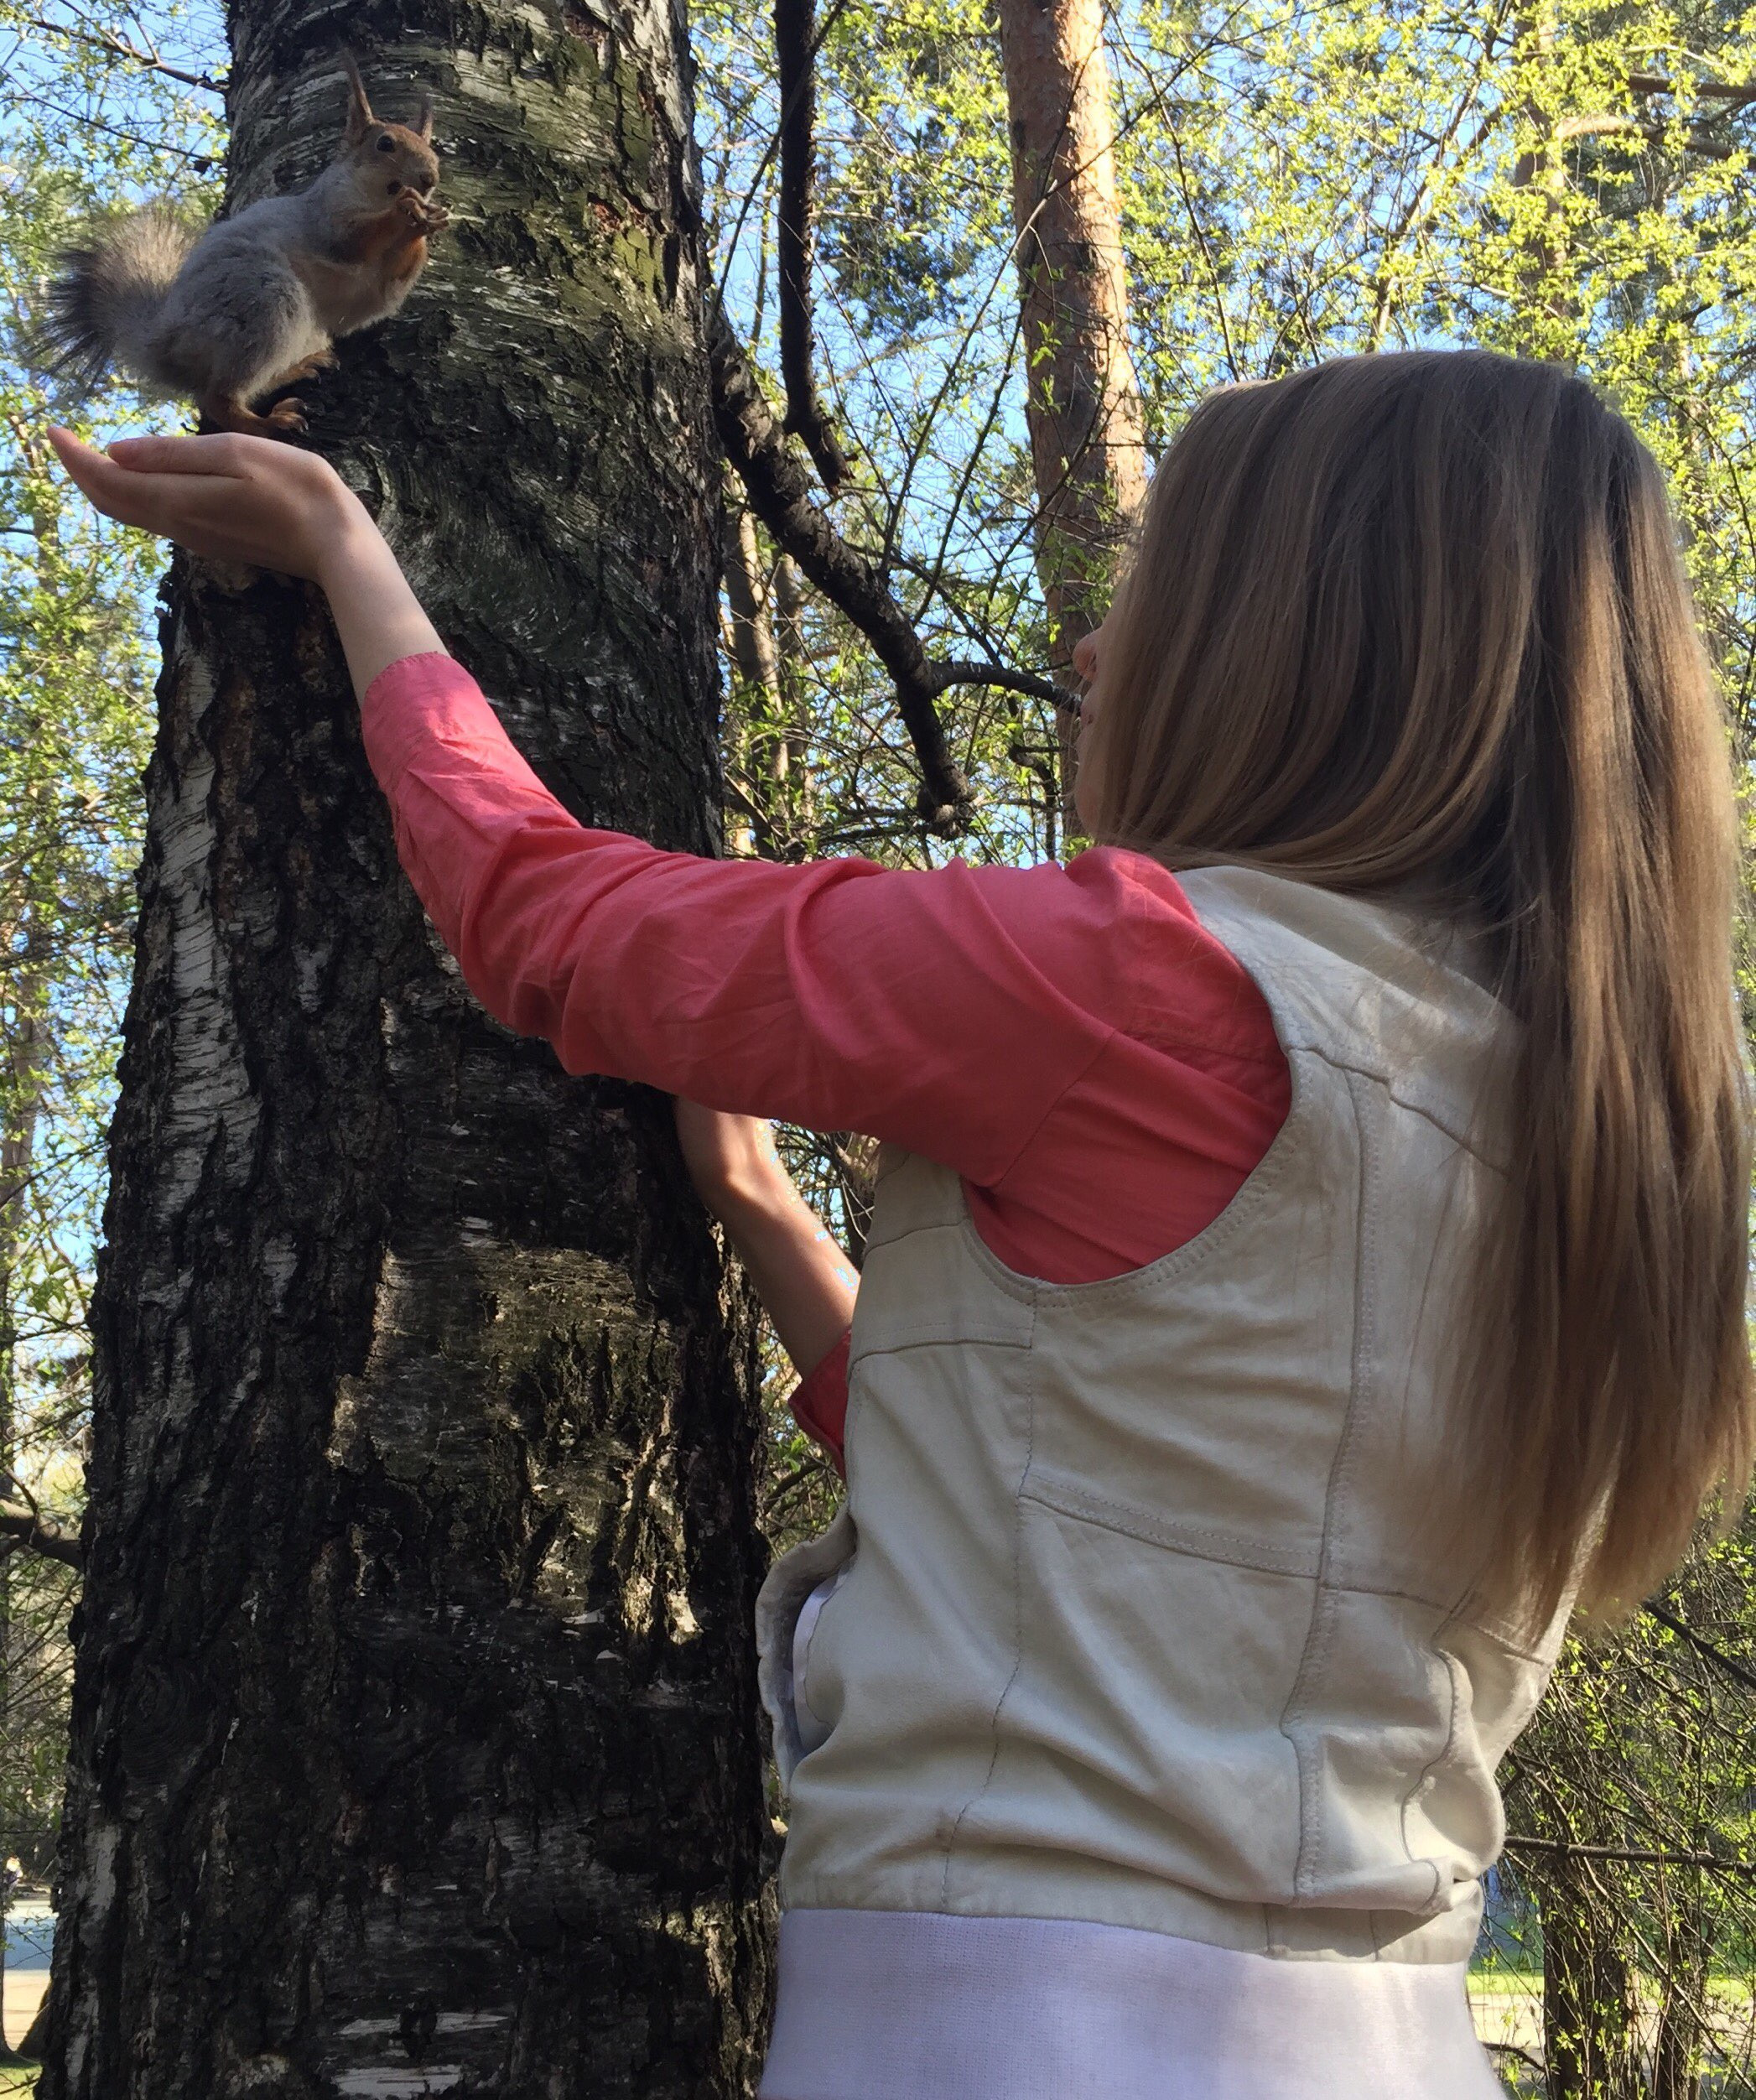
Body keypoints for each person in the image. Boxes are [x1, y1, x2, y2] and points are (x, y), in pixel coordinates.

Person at [49, 348, 1754, 2098]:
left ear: (1306, 644)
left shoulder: (1138, 981)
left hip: (1011, 2041)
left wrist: (352, 557)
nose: (1093, 651)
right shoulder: (1590, 1132)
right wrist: (765, 1214)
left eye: (1161, 587)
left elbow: (545, 920)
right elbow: (1115, 1481)